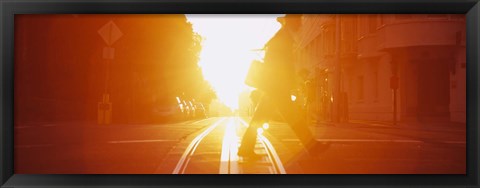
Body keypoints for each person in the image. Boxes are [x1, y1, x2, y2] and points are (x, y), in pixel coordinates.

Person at [238, 14, 330, 160]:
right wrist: (288, 83)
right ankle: (313, 147)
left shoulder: (283, 36)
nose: (300, 23)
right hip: (277, 87)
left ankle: (246, 147)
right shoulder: (283, 38)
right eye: (298, 20)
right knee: (292, 117)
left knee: (263, 118)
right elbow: (281, 65)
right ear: (292, 21)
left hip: (275, 87)